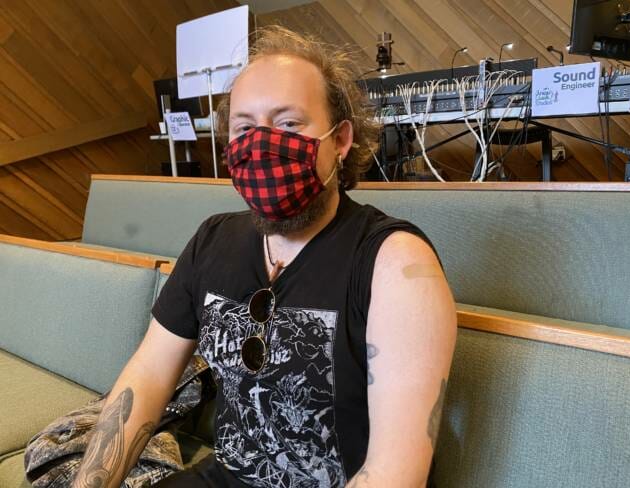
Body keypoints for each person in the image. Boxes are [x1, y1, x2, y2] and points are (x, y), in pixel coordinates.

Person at [72, 26, 456, 488]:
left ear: (341, 140)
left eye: (289, 124)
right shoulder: (212, 240)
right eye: (245, 128)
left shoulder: (396, 264)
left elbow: (395, 472)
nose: (263, 143)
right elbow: (149, 377)